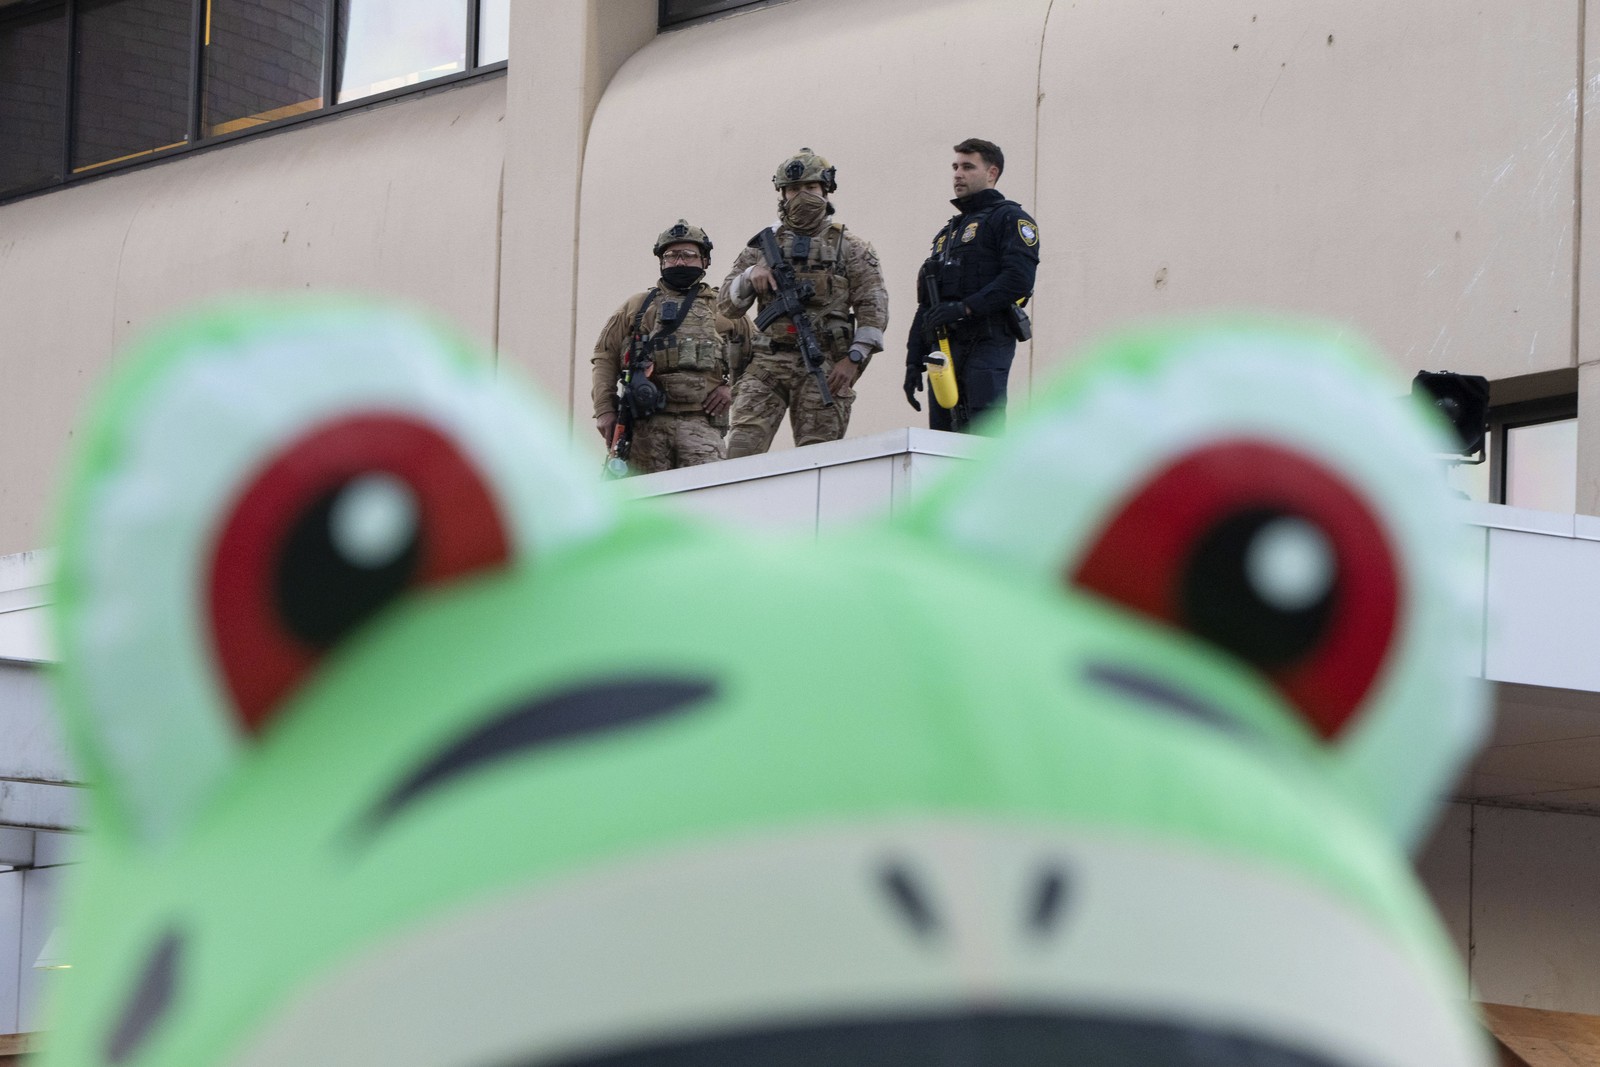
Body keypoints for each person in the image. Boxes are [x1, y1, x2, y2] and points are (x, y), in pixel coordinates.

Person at [717, 148, 889, 457]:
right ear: (782, 194)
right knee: (739, 456)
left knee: (816, 461)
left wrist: (852, 360)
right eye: (794, 189)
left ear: (825, 190)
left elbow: (873, 309)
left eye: (810, 188)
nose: (801, 196)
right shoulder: (760, 247)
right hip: (766, 364)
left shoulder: (851, 247)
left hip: (823, 365)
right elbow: (726, 306)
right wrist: (750, 275)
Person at [592, 220, 752, 475]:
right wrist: (605, 410)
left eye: (688, 255)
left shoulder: (724, 309)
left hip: (702, 426)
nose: (679, 262)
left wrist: (730, 389)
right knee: (646, 504)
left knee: (708, 497)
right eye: (671, 256)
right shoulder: (637, 307)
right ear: (661, 262)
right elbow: (605, 357)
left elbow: (759, 358)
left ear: (704, 261)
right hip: (647, 428)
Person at [904, 138, 1039, 434]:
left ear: (991, 173)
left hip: (988, 340)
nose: (957, 174)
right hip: (944, 349)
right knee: (941, 439)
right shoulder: (947, 234)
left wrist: (965, 307)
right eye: (955, 167)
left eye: (967, 167)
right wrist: (913, 359)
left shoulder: (1009, 218)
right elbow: (927, 303)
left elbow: (1018, 280)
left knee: (982, 433)